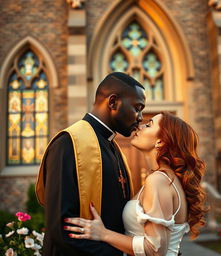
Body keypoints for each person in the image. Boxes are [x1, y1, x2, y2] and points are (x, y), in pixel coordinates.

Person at [64, 112, 208, 256]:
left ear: (161, 141)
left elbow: (155, 249)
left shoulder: (159, 180)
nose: (140, 126)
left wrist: (103, 234)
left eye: (148, 124)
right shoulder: (164, 179)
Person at [35, 72, 146, 256]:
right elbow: (62, 229)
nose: (140, 117)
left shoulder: (115, 148)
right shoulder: (68, 143)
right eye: (138, 107)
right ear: (113, 102)